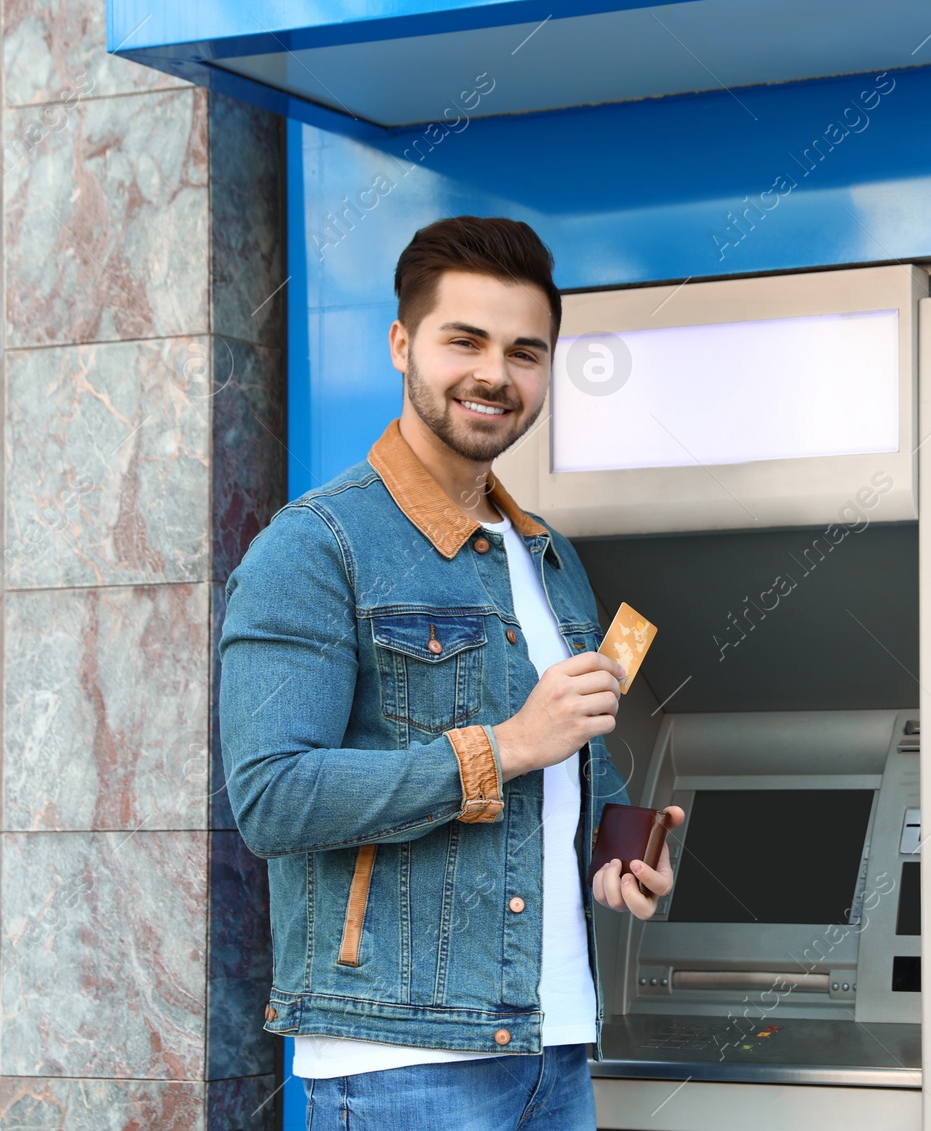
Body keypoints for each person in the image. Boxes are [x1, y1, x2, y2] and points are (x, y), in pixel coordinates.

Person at [219, 216, 682, 1130]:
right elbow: (271, 795)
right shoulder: (317, 546)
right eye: (464, 340)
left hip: (552, 1044)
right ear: (402, 343)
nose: (494, 375)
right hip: (401, 1061)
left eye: (525, 351)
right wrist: (504, 746)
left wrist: (616, 850)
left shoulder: (549, 555)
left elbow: (571, 751)